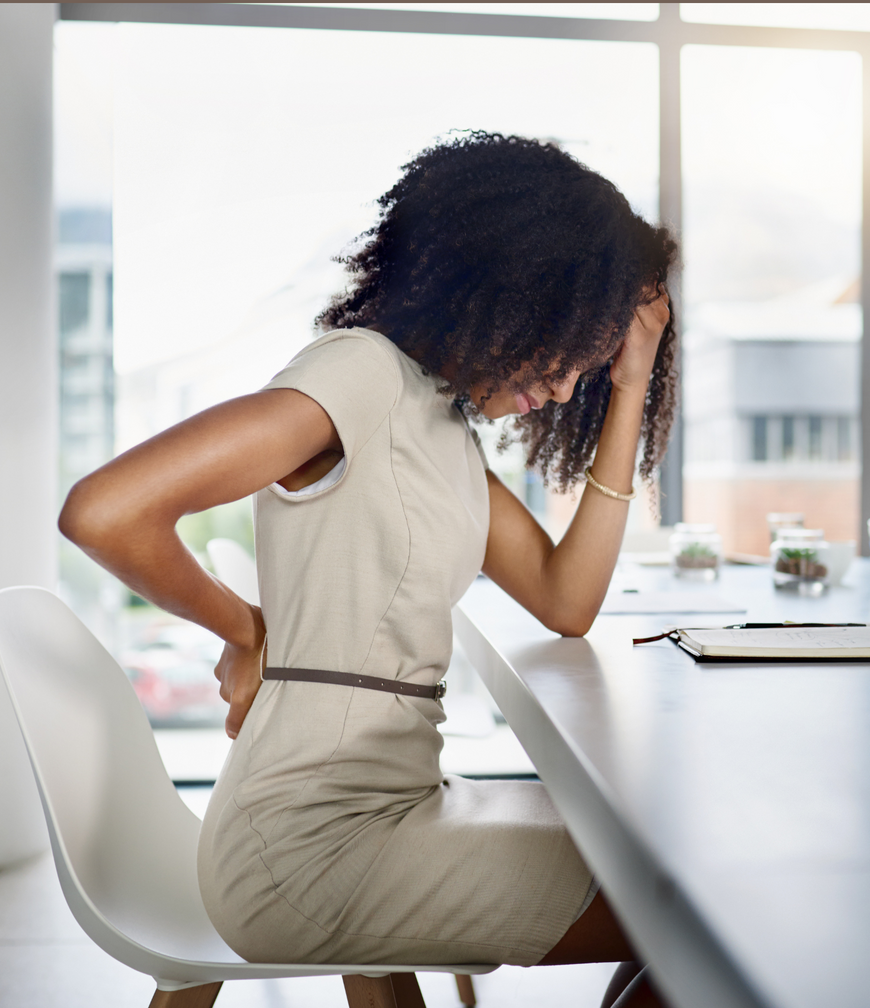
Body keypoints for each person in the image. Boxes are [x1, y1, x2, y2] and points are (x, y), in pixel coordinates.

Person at [60, 132, 677, 1008]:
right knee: (692, 910)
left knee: (676, 876)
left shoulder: (440, 426)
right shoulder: (361, 374)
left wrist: (631, 383)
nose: (573, 380)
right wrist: (247, 628)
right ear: (515, 290)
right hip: (313, 846)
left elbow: (566, 600)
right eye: (579, 342)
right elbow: (105, 511)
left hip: (392, 807)